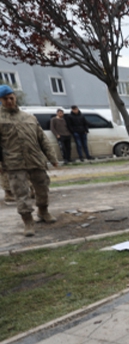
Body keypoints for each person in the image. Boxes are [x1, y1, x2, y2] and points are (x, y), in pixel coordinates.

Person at [0, 84, 59, 236]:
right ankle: (28, 222)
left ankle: (43, 211)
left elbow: (42, 139)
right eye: (5, 99)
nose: (9, 101)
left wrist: (52, 158)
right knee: (21, 193)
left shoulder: (29, 117)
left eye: (11, 97)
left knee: (42, 188)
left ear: (15, 97)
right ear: (1, 100)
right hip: (14, 162)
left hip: (36, 160)